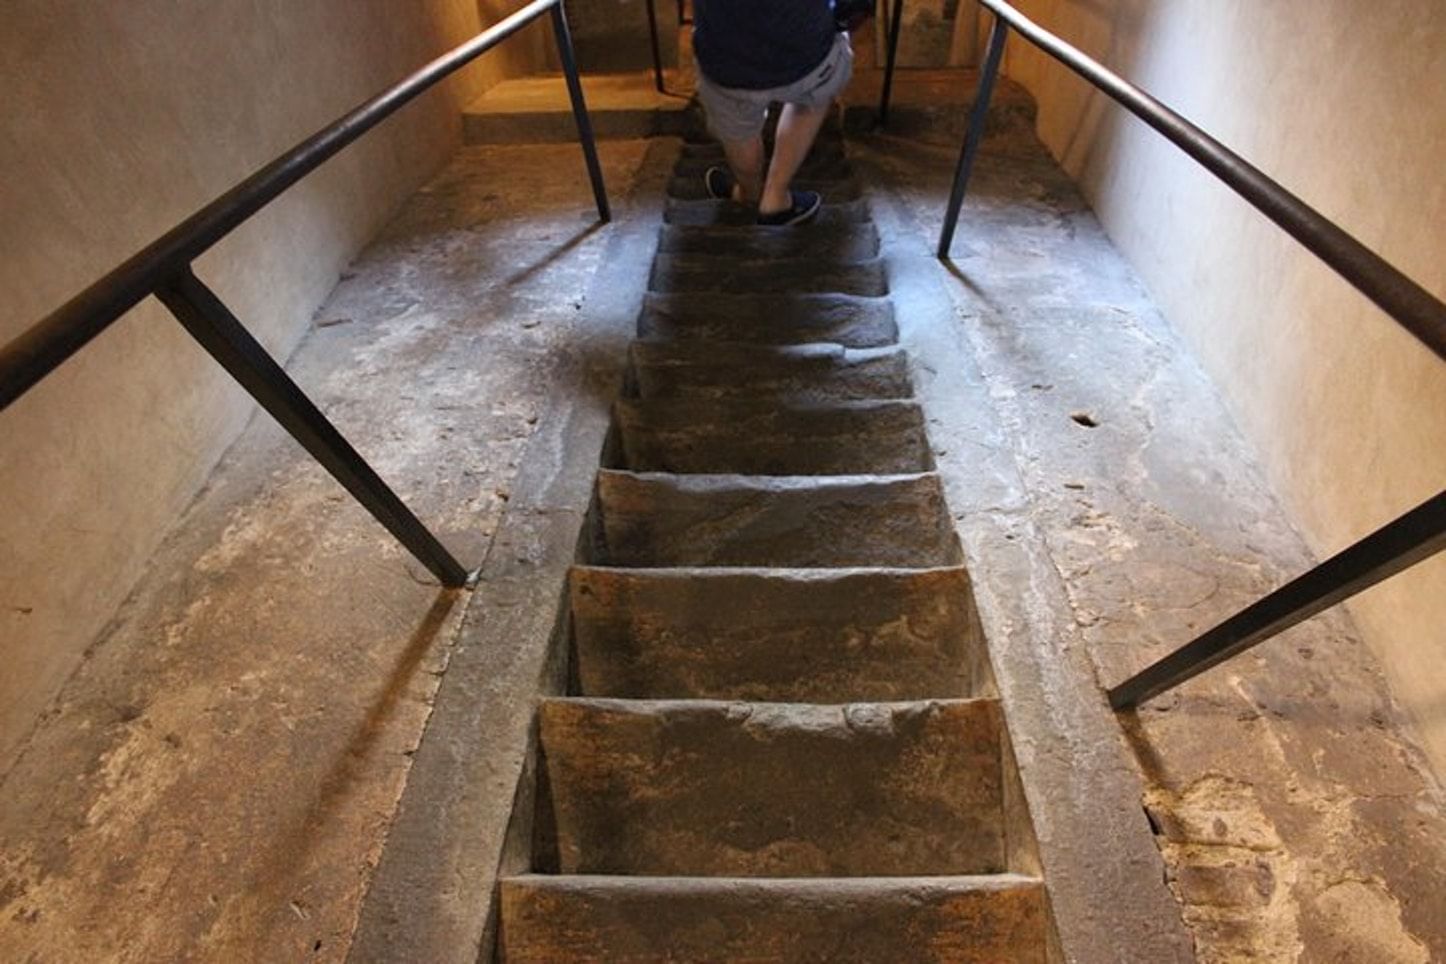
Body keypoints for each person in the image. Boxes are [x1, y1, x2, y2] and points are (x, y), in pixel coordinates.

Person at [691, 0, 854, 226]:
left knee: (738, 130)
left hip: (725, 59)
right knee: (812, 97)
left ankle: (749, 194)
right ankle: (775, 197)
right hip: (807, 53)